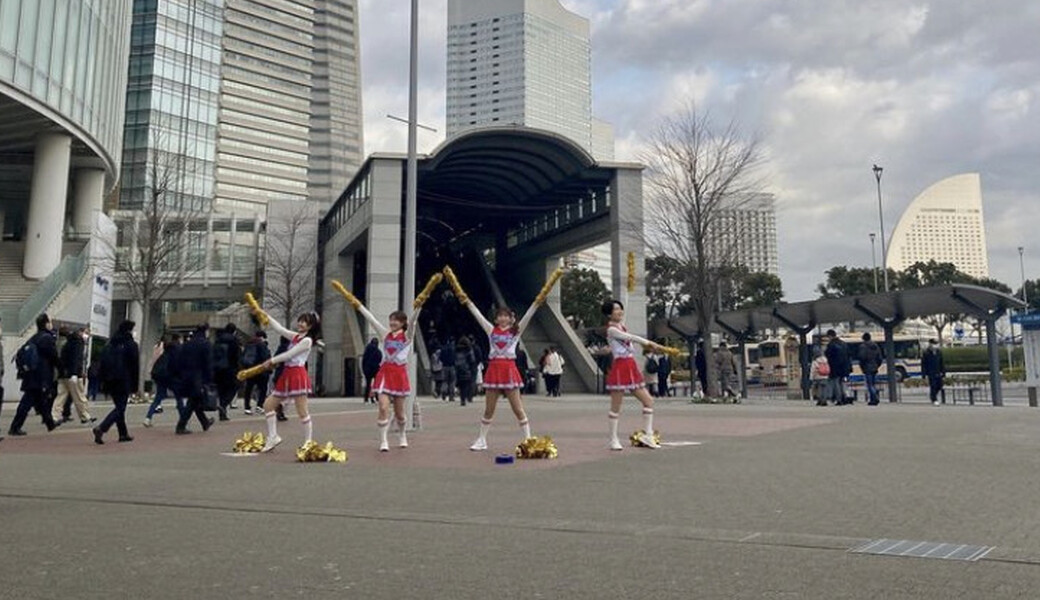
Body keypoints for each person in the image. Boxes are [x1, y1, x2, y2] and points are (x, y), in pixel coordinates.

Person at [601, 299, 672, 451]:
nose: (619, 312)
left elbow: (629, 338)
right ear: (609, 314)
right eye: (616, 310)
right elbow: (631, 338)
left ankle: (648, 434)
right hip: (620, 366)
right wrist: (649, 343)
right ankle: (613, 439)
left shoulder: (621, 326)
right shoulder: (612, 330)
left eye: (620, 309)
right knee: (616, 406)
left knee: (648, 401)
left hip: (631, 365)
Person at [252, 310, 322, 453]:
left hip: (297, 374)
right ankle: (273, 436)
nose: (301, 323)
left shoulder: (307, 340)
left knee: (302, 410)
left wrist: (271, 361)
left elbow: (290, 354)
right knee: (268, 405)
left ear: (311, 326)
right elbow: (279, 329)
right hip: (287, 374)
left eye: (305, 321)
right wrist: (264, 314)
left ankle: (308, 441)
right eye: (300, 320)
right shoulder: (296, 336)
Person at [8, 313, 62, 436]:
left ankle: (49, 423)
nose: (51, 324)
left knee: (40, 400)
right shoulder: (47, 338)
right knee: (28, 401)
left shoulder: (34, 337)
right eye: (50, 322)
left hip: (31, 374)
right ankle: (15, 427)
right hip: (40, 375)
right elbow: (53, 356)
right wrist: (62, 369)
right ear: (46, 324)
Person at [92, 320, 140, 444]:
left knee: (119, 406)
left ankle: (123, 433)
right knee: (120, 408)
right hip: (124, 380)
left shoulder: (110, 344)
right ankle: (102, 427)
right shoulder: (131, 345)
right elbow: (134, 366)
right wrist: (135, 386)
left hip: (110, 380)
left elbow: (102, 363)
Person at [173, 325, 214, 435]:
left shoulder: (187, 343)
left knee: (195, 400)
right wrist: (209, 379)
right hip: (198, 376)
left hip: (186, 375)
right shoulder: (205, 344)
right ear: (205, 331)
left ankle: (205, 422)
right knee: (193, 401)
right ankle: (181, 425)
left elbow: (179, 360)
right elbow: (208, 363)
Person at [52, 326, 93, 425]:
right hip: (73, 374)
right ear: (81, 332)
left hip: (63, 374)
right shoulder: (78, 343)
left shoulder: (68, 342)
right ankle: (85, 416)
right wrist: (75, 373)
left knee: (61, 396)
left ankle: (54, 416)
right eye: (87, 333)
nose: (87, 336)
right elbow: (76, 359)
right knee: (79, 396)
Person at [144, 333, 182, 427]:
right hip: (169, 376)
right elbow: (176, 364)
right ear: (178, 339)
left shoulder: (167, 348)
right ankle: (183, 419)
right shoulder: (177, 349)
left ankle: (148, 418)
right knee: (179, 396)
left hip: (159, 374)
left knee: (159, 396)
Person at [213, 323, 241, 421]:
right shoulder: (234, 341)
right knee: (234, 387)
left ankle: (222, 410)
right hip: (230, 369)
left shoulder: (218, 339)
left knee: (221, 389)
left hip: (218, 369)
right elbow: (236, 356)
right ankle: (223, 406)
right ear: (234, 331)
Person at [240, 330, 271, 414]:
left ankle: (247, 407)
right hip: (260, 370)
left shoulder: (248, 344)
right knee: (263, 389)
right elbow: (265, 357)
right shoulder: (262, 345)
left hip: (250, 370)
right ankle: (259, 406)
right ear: (262, 337)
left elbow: (243, 357)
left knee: (248, 388)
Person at [824, 329, 852, 405]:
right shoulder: (844, 343)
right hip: (845, 367)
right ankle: (845, 397)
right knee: (842, 383)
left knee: (836, 383)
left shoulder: (831, 344)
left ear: (830, 336)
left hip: (835, 367)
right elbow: (849, 355)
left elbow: (828, 354)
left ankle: (839, 399)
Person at [858, 332, 883, 406]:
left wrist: (862, 365)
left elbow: (862, 357)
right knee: (873, 383)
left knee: (869, 384)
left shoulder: (863, 346)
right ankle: (873, 399)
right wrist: (877, 365)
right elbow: (880, 358)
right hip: (874, 367)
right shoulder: (875, 346)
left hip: (867, 367)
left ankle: (874, 398)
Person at [922, 338, 945, 406]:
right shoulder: (926, 353)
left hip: (938, 371)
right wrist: (924, 374)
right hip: (930, 372)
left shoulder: (939, 352)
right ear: (930, 344)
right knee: (933, 386)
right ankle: (934, 399)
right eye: (934, 344)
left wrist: (943, 372)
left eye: (936, 344)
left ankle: (933, 395)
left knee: (940, 385)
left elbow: (941, 362)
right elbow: (924, 364)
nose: (935, 345)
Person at [455, 337, 477, 406]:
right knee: (466, 385)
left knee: (461, 386)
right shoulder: (469, 350)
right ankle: (468, 397)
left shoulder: (456, 349)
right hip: (467, 370)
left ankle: (462, 399)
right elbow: (472, 360)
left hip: (458, 370)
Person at [361, 337, 382, 403]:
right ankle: (376, 397)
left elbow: (363, 360)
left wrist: (364, 370)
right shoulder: (377, 351)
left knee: (368, 384)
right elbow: (380, 358)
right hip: (375, 369)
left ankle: (366, 398)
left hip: (367, 370)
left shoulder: (367, 350)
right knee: (376, 384)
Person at [440, 337, 457, 402]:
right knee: (452, 381)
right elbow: (455, 358)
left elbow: (440, 358)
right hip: (452, 366)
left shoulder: (443, 348)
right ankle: (451, 396)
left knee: (445, 381)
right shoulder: (454, 349)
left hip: (444, 366)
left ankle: (444, 392)